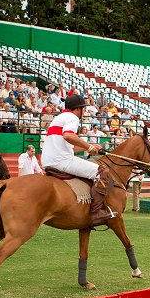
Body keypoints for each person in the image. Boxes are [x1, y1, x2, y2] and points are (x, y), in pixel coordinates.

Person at [40, 94, 115, 227]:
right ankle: (98, 211)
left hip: (49, 160)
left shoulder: (59, 118)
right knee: (102, 171)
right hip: (62, 161)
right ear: (78, 109)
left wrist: (90, 149)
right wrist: (89, 146)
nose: (83, 112)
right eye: (83, 109)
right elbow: (68, 135)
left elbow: (69, 146)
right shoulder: (72, 117)